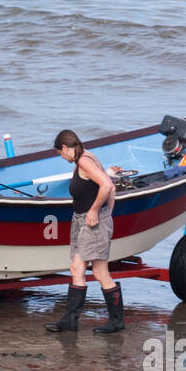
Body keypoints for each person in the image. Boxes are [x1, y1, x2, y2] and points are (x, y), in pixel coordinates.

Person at [45, 129, 125, 333]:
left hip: (92, 222)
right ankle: (70, 321)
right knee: (76, 268)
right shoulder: (85, 157)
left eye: (61, 154)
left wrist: (96, 212)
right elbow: (111, 187)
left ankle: (117, 322)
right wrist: (107, 215)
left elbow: (107, 185)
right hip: (83, 221)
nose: (63, 158)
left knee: (99, 272)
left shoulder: (84, 161)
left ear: (65, 148)